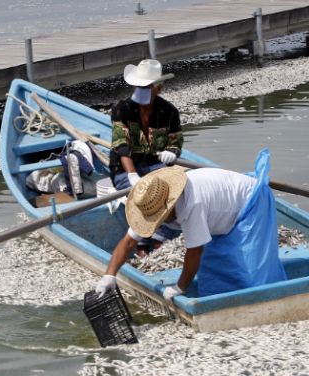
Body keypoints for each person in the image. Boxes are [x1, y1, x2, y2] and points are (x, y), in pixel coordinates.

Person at [95, 148, 287, 302]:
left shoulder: (192, 204)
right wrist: (109, 275)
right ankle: (222, 302)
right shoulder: (151, 201)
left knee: (251, 266)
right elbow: (128, 242)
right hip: (219, 210)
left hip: (251, 202)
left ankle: (266, 302)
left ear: (169, 205)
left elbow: (194, 251)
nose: (157, 222)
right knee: (216, 266)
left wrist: (180, 287)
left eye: (159, 217)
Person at [109, 59, 184, 254]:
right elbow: (121, 145)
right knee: (143, 193)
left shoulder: (169, 111)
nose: (142, 90)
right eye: (139, 86)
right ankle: (141, 242)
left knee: (176, 191)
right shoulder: (121, 109)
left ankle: (161, 237)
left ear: (158, 88)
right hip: (124, 168)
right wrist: (133, 176)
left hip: (155, 165)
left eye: (147, 86)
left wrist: (172, 153)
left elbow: (175, 142)